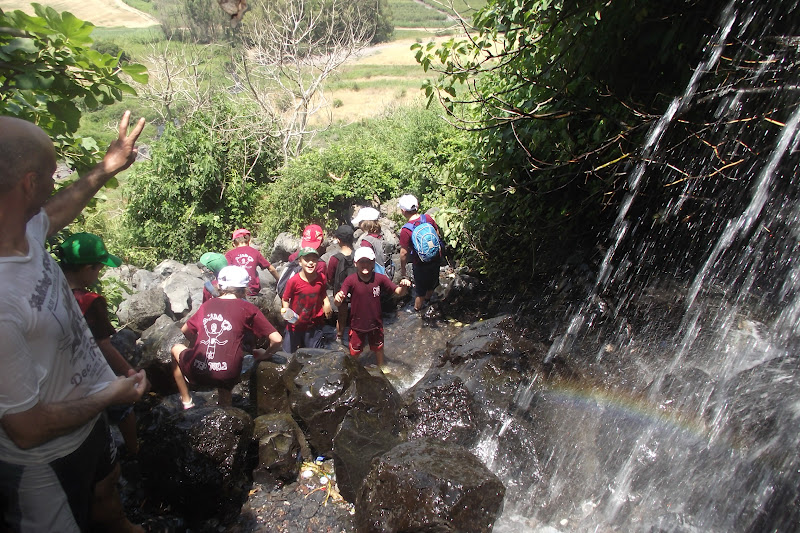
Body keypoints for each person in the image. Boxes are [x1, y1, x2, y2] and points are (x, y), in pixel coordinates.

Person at [0, 111, 147, 533]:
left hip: (87, 426)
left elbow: (57, 208)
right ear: (28, 182)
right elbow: (25, 429)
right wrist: (110, 395)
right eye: (50, 174)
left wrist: (108, 166)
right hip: (43, 460)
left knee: (106, 497)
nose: (54, 182)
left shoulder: (24, 230)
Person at [58, 232, 148, 456]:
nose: (99, 274)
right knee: (123, 405)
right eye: (98, 269)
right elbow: (103, 345)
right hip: (87, 370)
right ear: (88, 268)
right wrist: (130, 373)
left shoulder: (49, 294)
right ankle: (134, 450)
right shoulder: (90, 302)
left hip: (58, 374)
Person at [170, 265, 282, 409]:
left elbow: (185, 330)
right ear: (244, 289)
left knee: (175, 348)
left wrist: (194, 345)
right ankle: (225, 406)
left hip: (197, 369)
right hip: (227, 373)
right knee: (229, 361)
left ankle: (187, 401)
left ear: (220, 286)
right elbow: (277, 339)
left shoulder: (207, 304)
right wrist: (265, 355)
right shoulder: (248, 308)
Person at [334, 246, 411, 369]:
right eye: (361, 262)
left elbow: (398, 292)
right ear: (355, 263)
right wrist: (338, 298)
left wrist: (403, 286)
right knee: (355, 351)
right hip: (357, 325)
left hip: (376, 323)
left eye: (368, 262)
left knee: (379, 348)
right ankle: (352, 370)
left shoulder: (380, 279)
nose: (365, 265)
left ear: (373, 263)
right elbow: (338, 301)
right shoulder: (350, 280)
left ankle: (381, 368)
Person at [281, 247, 333, 353]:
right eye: (307, 259)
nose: (310, 263)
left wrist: (326, 302)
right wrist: (287, 312)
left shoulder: (321, 278)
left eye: (314, 260)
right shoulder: (293, 281)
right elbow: (285, 298)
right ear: (300, 262)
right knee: (287, 357)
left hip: (313, 325)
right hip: (295, 325)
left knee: (313, 357)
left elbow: (322, 292)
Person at [398, 194, 443, 311]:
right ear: (417, 206)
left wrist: (403, 269)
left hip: (420, 263)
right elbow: (437, 233)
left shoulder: (406, 229)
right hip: (435, 257)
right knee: (433, 282)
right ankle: (428, 300)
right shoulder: (427, 218)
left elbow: (403, 253)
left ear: (403, 211)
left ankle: (417, 310)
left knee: (420, 290)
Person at [225, 228, 279, 298]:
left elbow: (225, 272)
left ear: (234, 244)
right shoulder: (255, 252)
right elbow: (271, 269)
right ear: (249, 241)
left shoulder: (229, 254)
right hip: (252, 291)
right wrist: (279, 280)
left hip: (236, 291)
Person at [326, 225, 356, 341]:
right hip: (356, 289)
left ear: (338, 240)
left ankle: (339, 336)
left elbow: (330, 278)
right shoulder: (357, 255)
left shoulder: (335, 259)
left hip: (340, 291)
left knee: (342, 315)